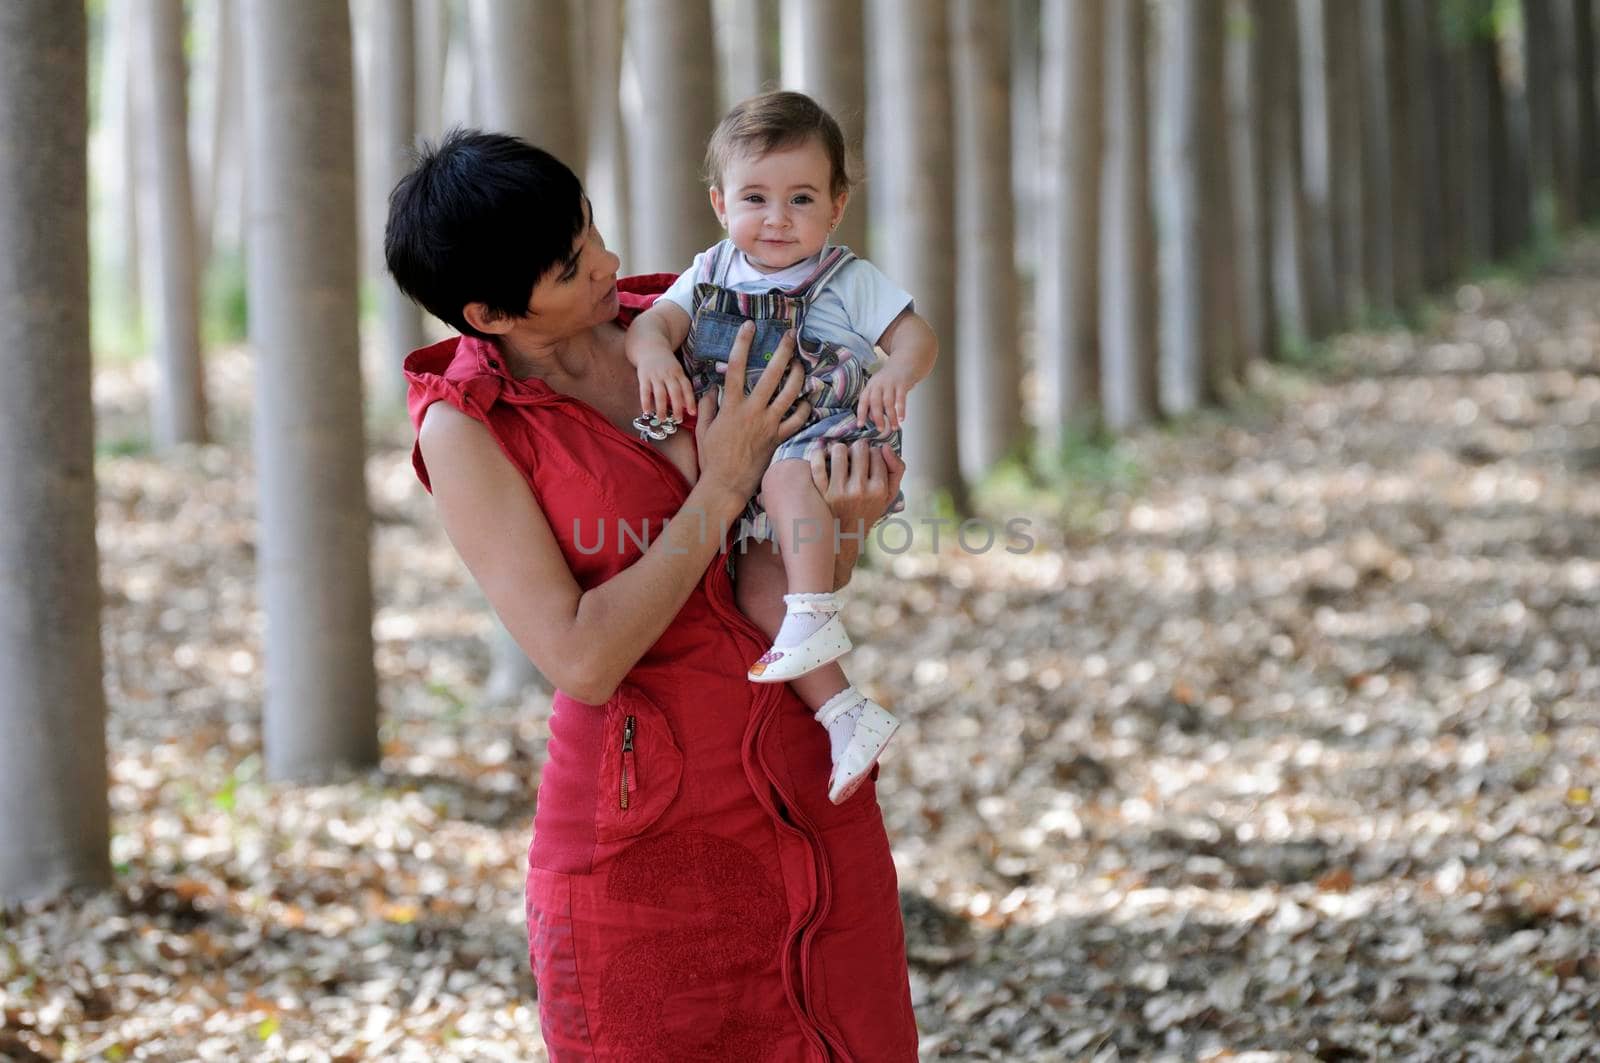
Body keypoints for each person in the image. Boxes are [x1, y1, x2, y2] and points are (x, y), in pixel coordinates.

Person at [385, 130, 919, 1060]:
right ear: (488, 311)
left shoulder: (694, 316)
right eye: (570, 264)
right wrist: (717, 485)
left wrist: (849, 525)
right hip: (644, 840)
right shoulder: (466, 431)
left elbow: (784, 572)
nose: (610, 262)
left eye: (589, 229)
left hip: (807, 781)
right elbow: (583, 658)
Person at [626, 90, 938, 804]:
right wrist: (655, 359)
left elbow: (916, 335)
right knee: (758, 592)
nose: (776, 219)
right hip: (757, 462)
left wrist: (896, 371)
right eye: (756, 198)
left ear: (836, 206)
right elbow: (653, 326)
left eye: (800, 198)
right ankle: (845, 712)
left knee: (790, 484)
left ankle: (817, 614)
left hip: (826, 435)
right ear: (719, 203)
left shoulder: (847, 279)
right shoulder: (708, 271)